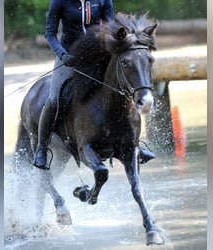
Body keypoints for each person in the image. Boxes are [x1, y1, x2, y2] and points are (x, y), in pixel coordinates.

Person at [33, 0, 155, 169]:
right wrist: (62, 54)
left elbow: (111, 28)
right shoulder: (59, 2)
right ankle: (41, 148)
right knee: (55, 98)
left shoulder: (103, 0)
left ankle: (134, 144)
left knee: (122, 89)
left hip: (97, 54)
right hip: (69, 56)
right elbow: (50, 34)